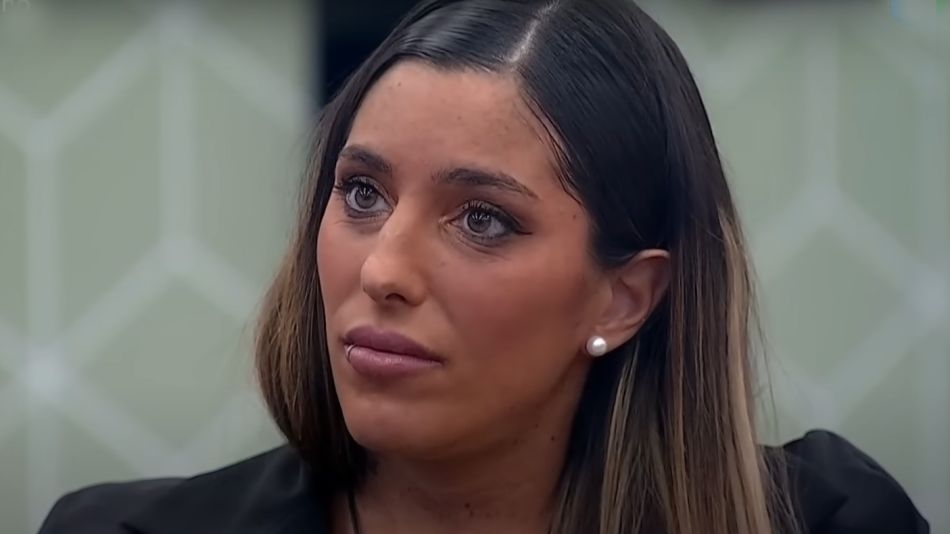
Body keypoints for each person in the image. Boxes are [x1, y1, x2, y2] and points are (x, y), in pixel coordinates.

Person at [39, 1, 930, 533]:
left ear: (625, 299)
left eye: (482, 219)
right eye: (362, 194)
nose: (383, 270)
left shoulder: (829, 522)